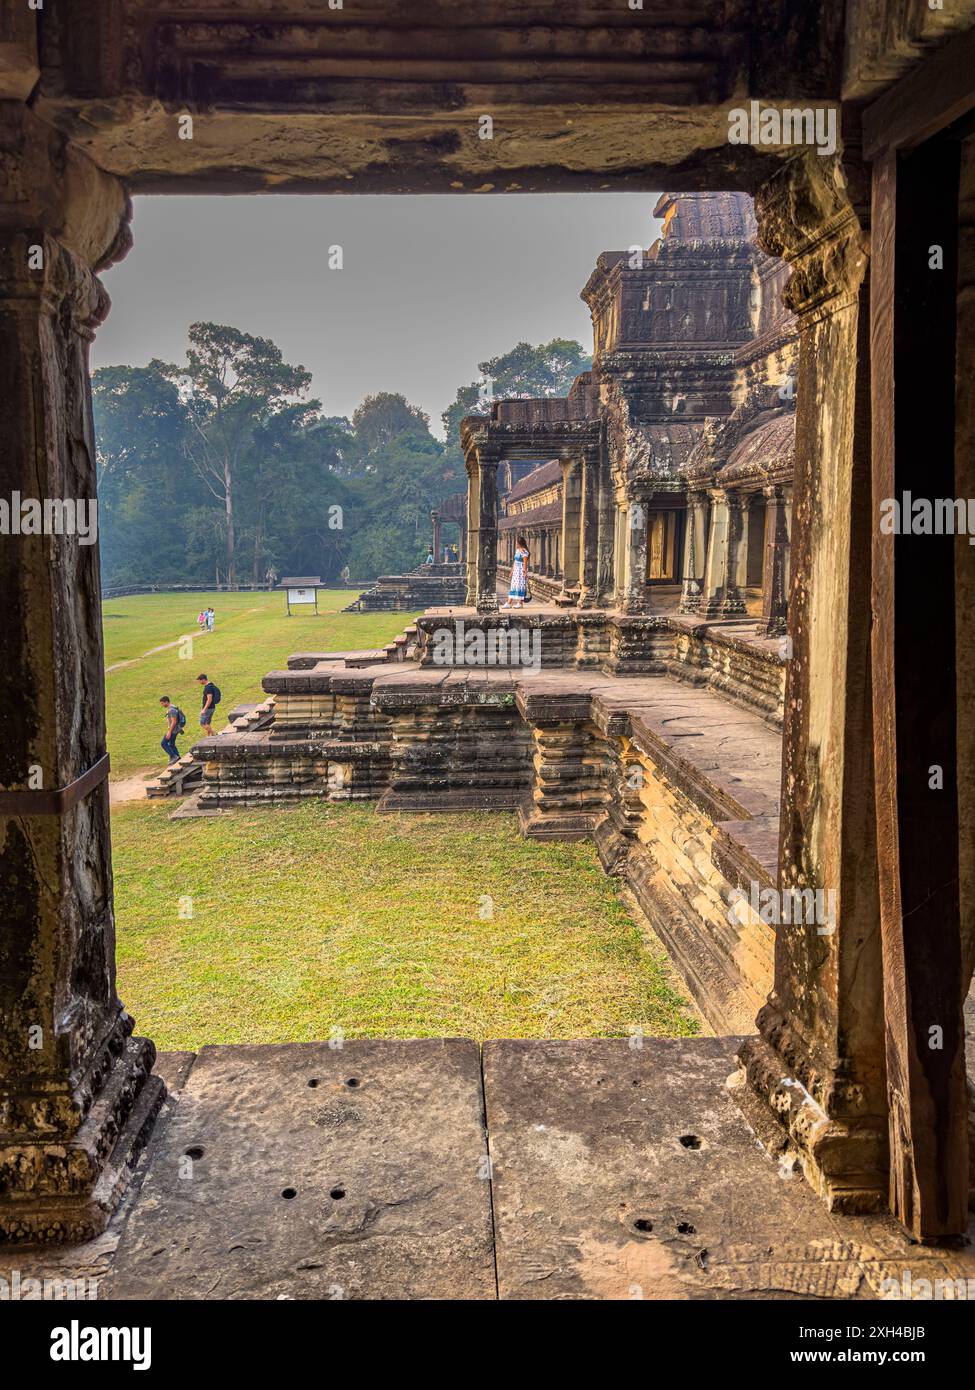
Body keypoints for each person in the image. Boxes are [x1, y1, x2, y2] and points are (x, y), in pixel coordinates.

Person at [502, 534, 530, 609]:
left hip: (521, 570)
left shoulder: (524, 551)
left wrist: (524, 572)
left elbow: (525, 562)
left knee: (520, 586)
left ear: (520, 543)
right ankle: (509, 602)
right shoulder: (517, 550)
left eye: (517, 543)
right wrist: (512, 571)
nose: (516, 544)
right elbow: (515, 561)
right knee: (513, 585)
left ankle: (519, 603)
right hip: (516, 570)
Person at [159, 696, 185, 764]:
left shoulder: (171, 710)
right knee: (172, 744)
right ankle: (178, 758)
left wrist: (169, 732)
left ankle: (173, 756)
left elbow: (174, 721)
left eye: (162, 703)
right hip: (175, 729)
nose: (162, 705)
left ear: (166, 702)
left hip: (173, 730)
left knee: (163, 743)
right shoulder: (173, 707)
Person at [197, 673, 222, 737]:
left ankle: (214, 734)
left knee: (202, 723)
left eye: (199, 680)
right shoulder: (211, 685)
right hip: (212, 707)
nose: (199, 682)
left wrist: (204, 709)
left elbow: (209, 699)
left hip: (208, 708)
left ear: (203, 680)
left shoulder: (208, 688)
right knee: (207, 723)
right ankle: (209, 737)